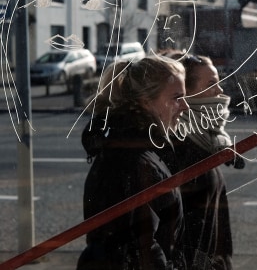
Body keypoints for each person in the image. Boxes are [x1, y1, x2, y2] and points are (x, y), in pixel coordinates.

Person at [77, 55, 189, 270]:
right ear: (146, 102)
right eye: (177, 97)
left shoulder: (138, 150)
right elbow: (140, 250)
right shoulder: (134, 161)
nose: (184, 106)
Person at [171, 54, 244, 270]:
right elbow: (188, 235)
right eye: (212, 84)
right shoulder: (181, 146)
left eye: (219, 82)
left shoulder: (208, 140)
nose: (220, 91)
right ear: (187, 93)